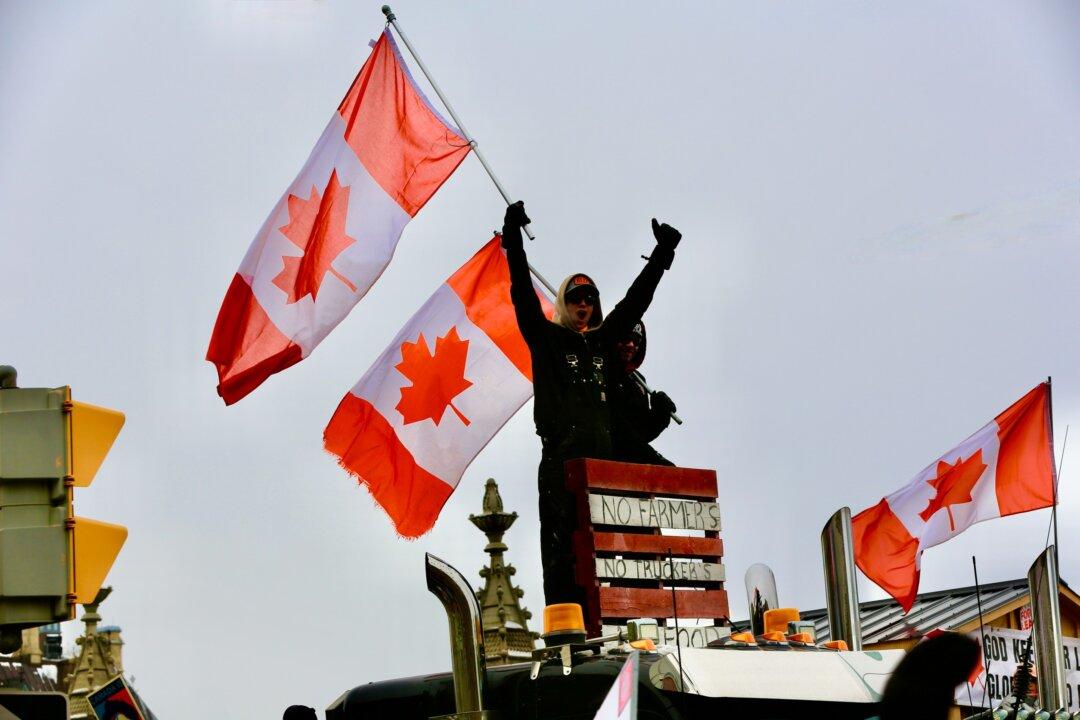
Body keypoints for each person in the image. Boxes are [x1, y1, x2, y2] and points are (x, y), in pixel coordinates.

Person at [501, 200, 681, 610]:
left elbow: (636, 303)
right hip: (562, 464)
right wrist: (513, 238)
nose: (584, 305)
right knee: (564, 562)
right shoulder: (547, 340)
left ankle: (624, 616)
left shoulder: (600, 342)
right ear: (565, 302)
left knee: (611, 552)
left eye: (590, 299)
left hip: (602, 465)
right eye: (577, 298)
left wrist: (662, 255)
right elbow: (521, 296)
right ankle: (570, 638)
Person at [609, 321, 676, 466]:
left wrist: (659, 416)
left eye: (637, 341)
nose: (631, 345)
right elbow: (615, 427)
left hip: (630, 465)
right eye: (626, 338)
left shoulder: (638, 381)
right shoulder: (598, 373)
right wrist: (650, 456)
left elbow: (642, 433)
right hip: (602, 460)